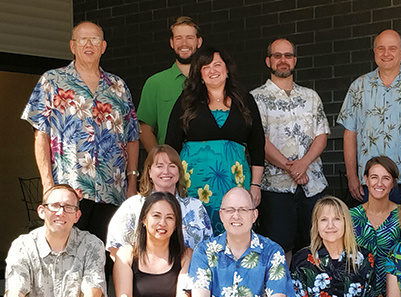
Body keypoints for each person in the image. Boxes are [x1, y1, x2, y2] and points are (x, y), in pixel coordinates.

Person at [21, 21, 139, 243]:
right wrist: (48, 185)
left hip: (112, 190)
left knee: (107, 259)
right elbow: (41, 135)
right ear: (72, 46)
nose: (89, 44)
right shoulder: (52, 81)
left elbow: (132, 137)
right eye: (82, 39)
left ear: (103, 46)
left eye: (94, 39)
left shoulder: (118, 86)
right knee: (66, 255)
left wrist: (132, 183)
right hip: (69, 190)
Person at [166, 46, 265, 235]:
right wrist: (171, 185)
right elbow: (171, 144)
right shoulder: (187, 101)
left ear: (227, 70)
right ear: (199, 74)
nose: (213, 70)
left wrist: (256, 185)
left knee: (234, 230)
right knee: (195, 232)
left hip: (234, 181)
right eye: (206, 67)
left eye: (217, 65)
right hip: (193, 184)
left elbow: (257, 145)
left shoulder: (244, 100)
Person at [251, 38, 330, 264]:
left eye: (287, 55)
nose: (282, 60)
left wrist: (303, 164)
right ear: (268, 61)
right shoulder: (255, 98)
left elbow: (321, 135)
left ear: (294, 60)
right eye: (277, 55)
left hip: (312, 185)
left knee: (316, 244)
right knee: (279, 248)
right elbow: (259, 140)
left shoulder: (311, 96)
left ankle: (315, 295)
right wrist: (291, 167)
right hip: (275, 187)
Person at [337, 29, 401, 203]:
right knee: (373, 230)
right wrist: (352, 176)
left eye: (392, 48)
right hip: (371, 183)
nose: (386, 53)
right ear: (374, 52)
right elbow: (350, 134)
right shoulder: (358, 87)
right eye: (381, 48)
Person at [106, 144, 212, 258]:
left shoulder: (196, 207)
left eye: (172, 166)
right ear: (149, 172)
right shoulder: (132, 206)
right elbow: (115, 249)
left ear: (179, 171)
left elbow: (209, 248)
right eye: (159, 166)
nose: (166, 171)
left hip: (189, 272)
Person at [350, 156, 401, 297]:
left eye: (386, 178)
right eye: (374, 177)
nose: (379, 183)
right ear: (365, 180)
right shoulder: (350, 217)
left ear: (393, 183)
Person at [137, 16, 203, 152]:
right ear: (172, 43)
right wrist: (159, 159)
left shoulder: (210, 80)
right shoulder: (155, 83)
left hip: (208, 164)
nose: (184, 43)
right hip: (171, 166)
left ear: (199, 42)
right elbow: (144, 128)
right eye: (178, 38)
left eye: (189, 38)